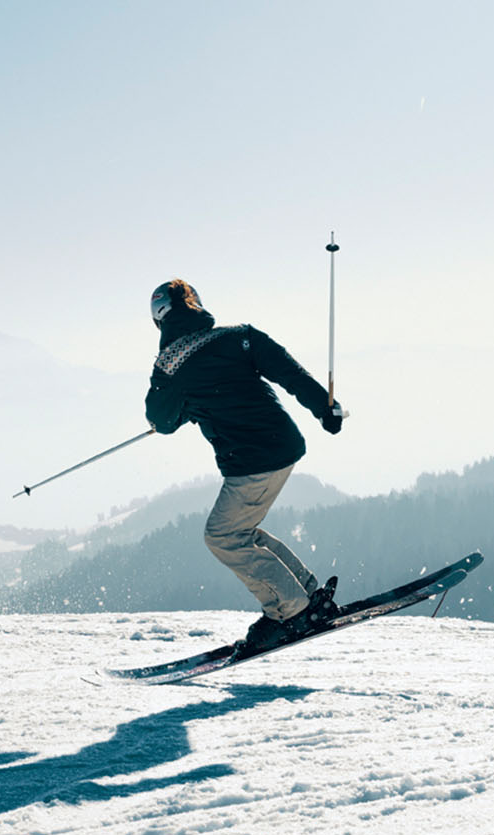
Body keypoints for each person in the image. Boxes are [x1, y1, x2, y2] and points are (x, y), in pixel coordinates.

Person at [143, 279, 346, 652]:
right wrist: (325, 409)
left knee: (222, 537)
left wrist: (185, 405)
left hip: (250, 463)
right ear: (197, 305)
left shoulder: (170, 365)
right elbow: (290, 373)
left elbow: (161, 421)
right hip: (284, 445)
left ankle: (290, 610)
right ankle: (307, 594)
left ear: (159, 320)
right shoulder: (240, 337)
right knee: (241, 531)